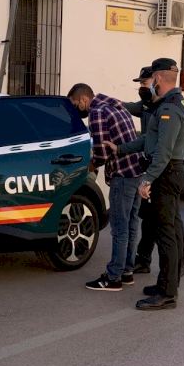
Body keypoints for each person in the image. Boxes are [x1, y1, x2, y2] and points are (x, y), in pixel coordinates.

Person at [107, 58, 184, 310]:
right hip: (168, 172)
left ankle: (167, 293)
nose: (149, 82)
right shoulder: (167, 104)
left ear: (158, 78)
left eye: (151, 77)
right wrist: (120, 149)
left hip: (166, 173)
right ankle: (166, 283)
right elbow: (148, 140)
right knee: (169, 230)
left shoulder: (169, 109)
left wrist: (147, 180)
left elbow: (163, 152)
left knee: (166, 235)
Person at [68, 83, 145, 291]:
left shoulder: (97, 113)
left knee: (119, 228)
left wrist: (87, 168)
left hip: (122, 175)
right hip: (137, 172)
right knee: (131, 225)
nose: (76, 109)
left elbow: (101, 153)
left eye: (75, 104)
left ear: (83, 99)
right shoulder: (116, 106)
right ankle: (127, 271)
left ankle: (113, 278)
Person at [123, 67, 158, 275]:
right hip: (149, 164)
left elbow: (150, 140)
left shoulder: (162, 107)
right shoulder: (146, 105)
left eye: (144, 83)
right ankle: (143, 259)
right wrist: (106, 102)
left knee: (161, 220)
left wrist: (121, 149)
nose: (141, 88)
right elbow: (127, 107)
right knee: (148, 217)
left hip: (159, 167)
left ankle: (152, 261)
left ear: (155, 81)